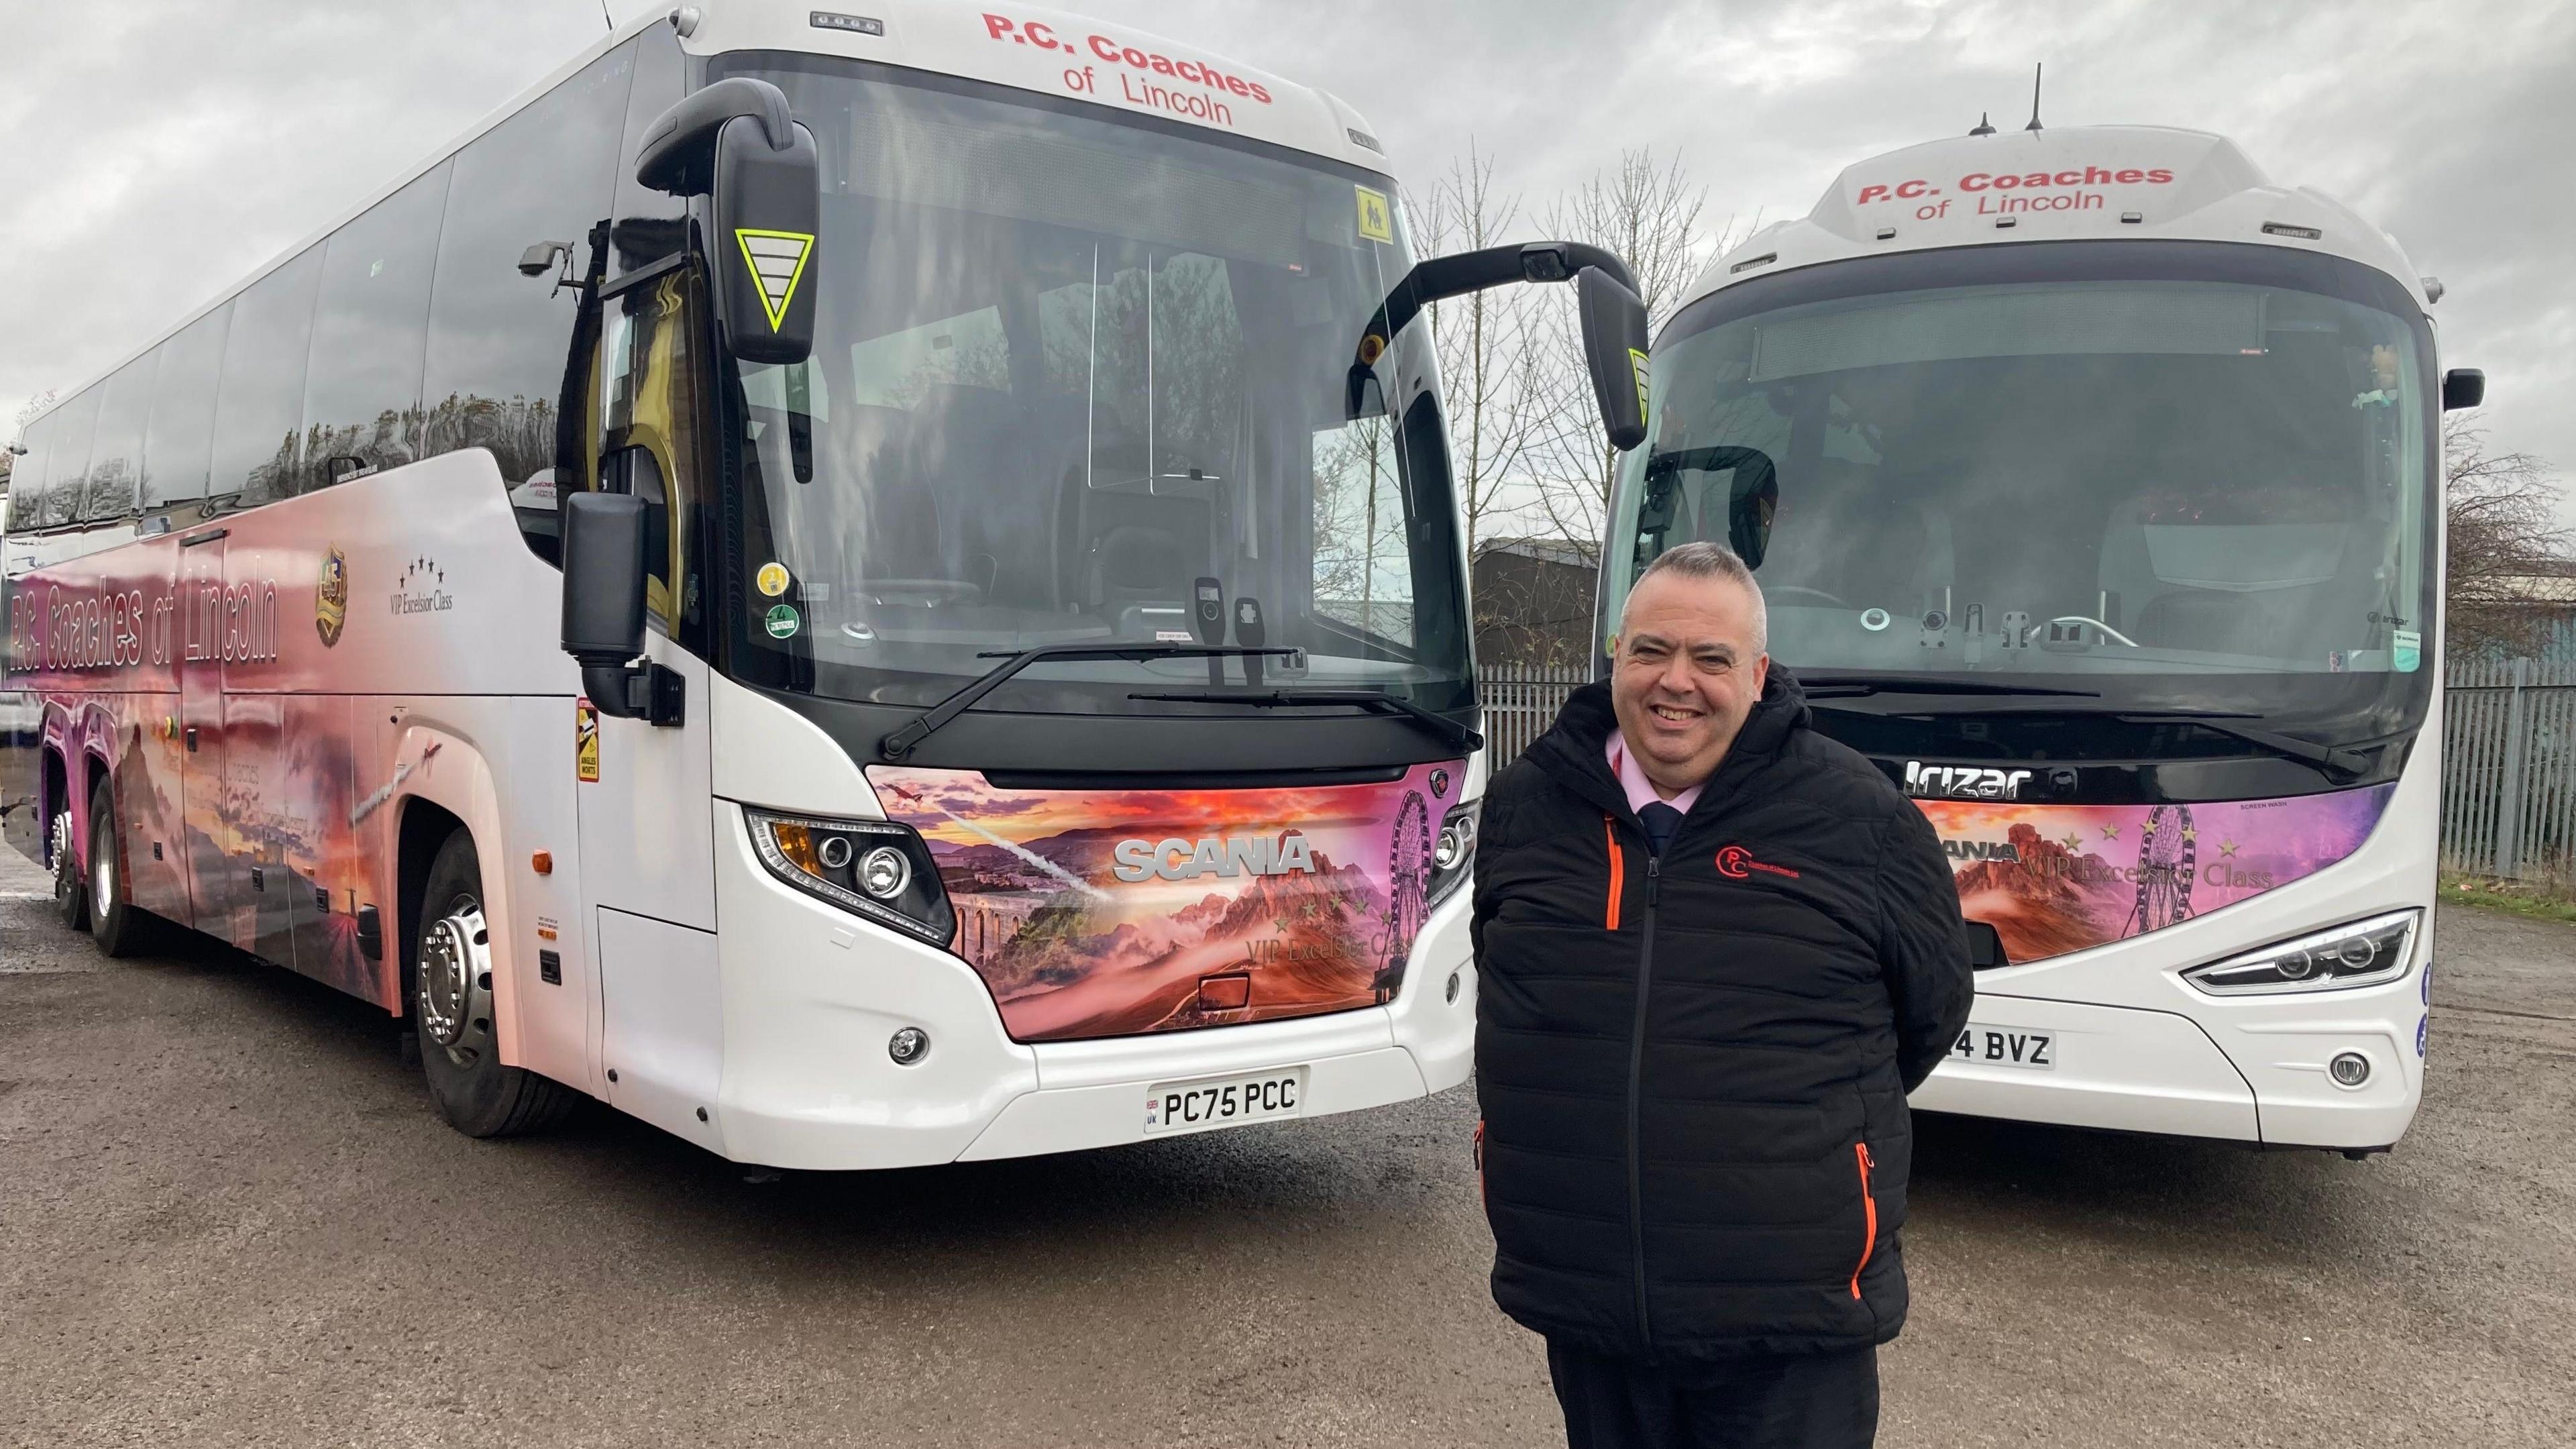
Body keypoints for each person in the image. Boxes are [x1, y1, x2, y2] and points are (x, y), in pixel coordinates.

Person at [1470, 541, 1975, 1449]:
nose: (1678, 682)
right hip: (1593, 1305)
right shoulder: (1525, 807)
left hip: (1789, 1321)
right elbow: (1505, 981)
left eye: (1711, 658)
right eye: (1651, 651)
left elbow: (1931, 1010)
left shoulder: (1860, 820)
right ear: (1615, 656)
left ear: (1758, 675)